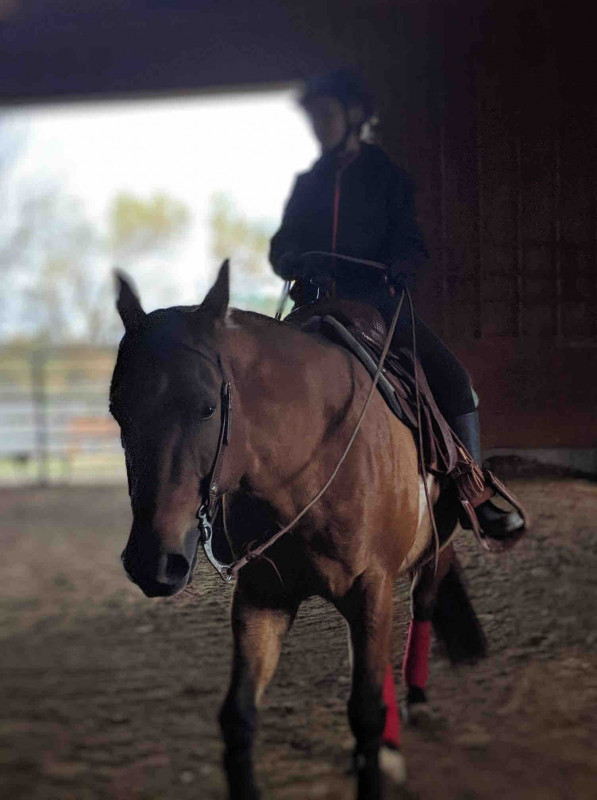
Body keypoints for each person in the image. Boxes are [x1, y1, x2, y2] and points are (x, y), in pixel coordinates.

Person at [269, 69, 524, 538]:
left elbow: (412, 242)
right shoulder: (308, 185)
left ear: (354, 116)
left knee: (456, 384)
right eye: (314, 118)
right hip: (316, 306)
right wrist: (291, 259)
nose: (319, 126)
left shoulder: (386, 177)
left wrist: (403, 262)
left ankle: (473, 488)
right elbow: (281, 244)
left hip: (378, 308)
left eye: (326, 115)